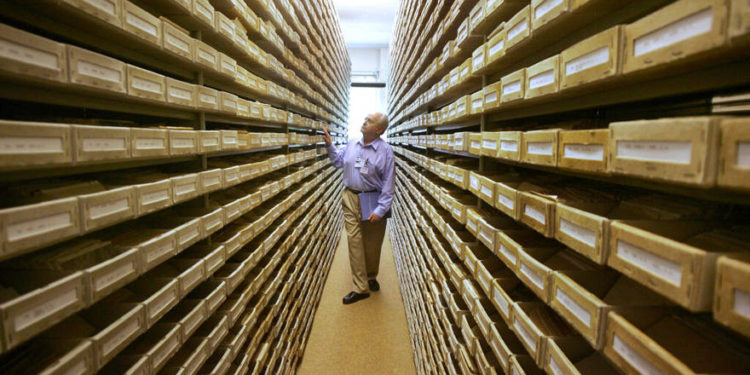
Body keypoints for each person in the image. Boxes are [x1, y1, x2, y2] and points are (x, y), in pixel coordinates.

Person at [323, 112, 395, 305]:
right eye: (365, 118)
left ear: (379, 130)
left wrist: (380, 210)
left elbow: (389, 183)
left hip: (372, 199)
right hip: (350, 197)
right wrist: (330, 145)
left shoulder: (385, 151)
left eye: (369, 121)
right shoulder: (353, 142)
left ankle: (371, 276)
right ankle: (360, 287)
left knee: (372, 243)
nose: (364, 121)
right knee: (354, 241)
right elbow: (339, 162)